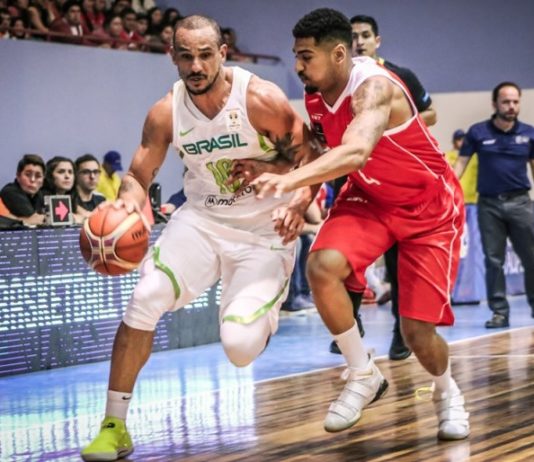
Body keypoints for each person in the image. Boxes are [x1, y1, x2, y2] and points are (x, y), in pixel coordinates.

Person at [81, 14, 317, 461]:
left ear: (222, 53)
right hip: (202, 222)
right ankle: (114, 425)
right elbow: (138, 174)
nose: (196, 66)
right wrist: (129, 202)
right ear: (173, 57)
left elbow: (311, 156)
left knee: (240, 349)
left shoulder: (261, 99)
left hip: (262, 230)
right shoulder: (165, 111)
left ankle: (260, 316)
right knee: (144, 298)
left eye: (205, 55)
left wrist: (296, 199)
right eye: (185, 56)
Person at [251, 8, 469, 440]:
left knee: (416, 332)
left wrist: (286, 180)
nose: (297, 66)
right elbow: (319, 152)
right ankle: (362, 372)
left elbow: (353, 153)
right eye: (295, 55)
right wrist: (301, 199)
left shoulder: (374, 89)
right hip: (369, 198)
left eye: (305, 56)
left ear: (337, 54)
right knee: (321, 266)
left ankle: (446, 391)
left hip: (427, 208)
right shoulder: (316, 93)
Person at [330, 14, 439, 361]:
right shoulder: (336, 80)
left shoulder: (398, 75)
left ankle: (400, 331)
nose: (359, 41)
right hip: (351, 175)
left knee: (396, 262)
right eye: (353, 36)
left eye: (365, 35)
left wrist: (389, 128)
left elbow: (431, 113)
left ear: (377, 40)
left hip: (392, 179)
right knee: (344, 256)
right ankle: (350, 325)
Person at [454, 82, 534, 328]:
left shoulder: (529, 134)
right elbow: (459, 166)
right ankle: (499, 311)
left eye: (515, 102)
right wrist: (445, 192)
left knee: (531, 257)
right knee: (493, 260)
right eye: (506, 102)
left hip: (521, 202)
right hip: (489, 205)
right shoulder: (477, 133)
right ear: (495, 104)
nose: (511, 106)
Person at [0, 153, 46, 225]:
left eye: (38, 176)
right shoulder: (10, 191)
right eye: (28, 175)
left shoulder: (39, 195)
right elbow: (34, 219)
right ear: (18, 176)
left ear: (43, 180)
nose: (33, 180)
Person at [445, 129, 478, 205]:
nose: (462, 141)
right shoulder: (447, 156)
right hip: (455, 198)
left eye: (464, 139)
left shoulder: (475, 156)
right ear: (454, 141)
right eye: (459, 139)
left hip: (472, 200)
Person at [73, 153, 106, 222]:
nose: (92, 176)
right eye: (86, 172)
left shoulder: (101, 200)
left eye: (96, 172)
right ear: (75, 175)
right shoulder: (67, 200)